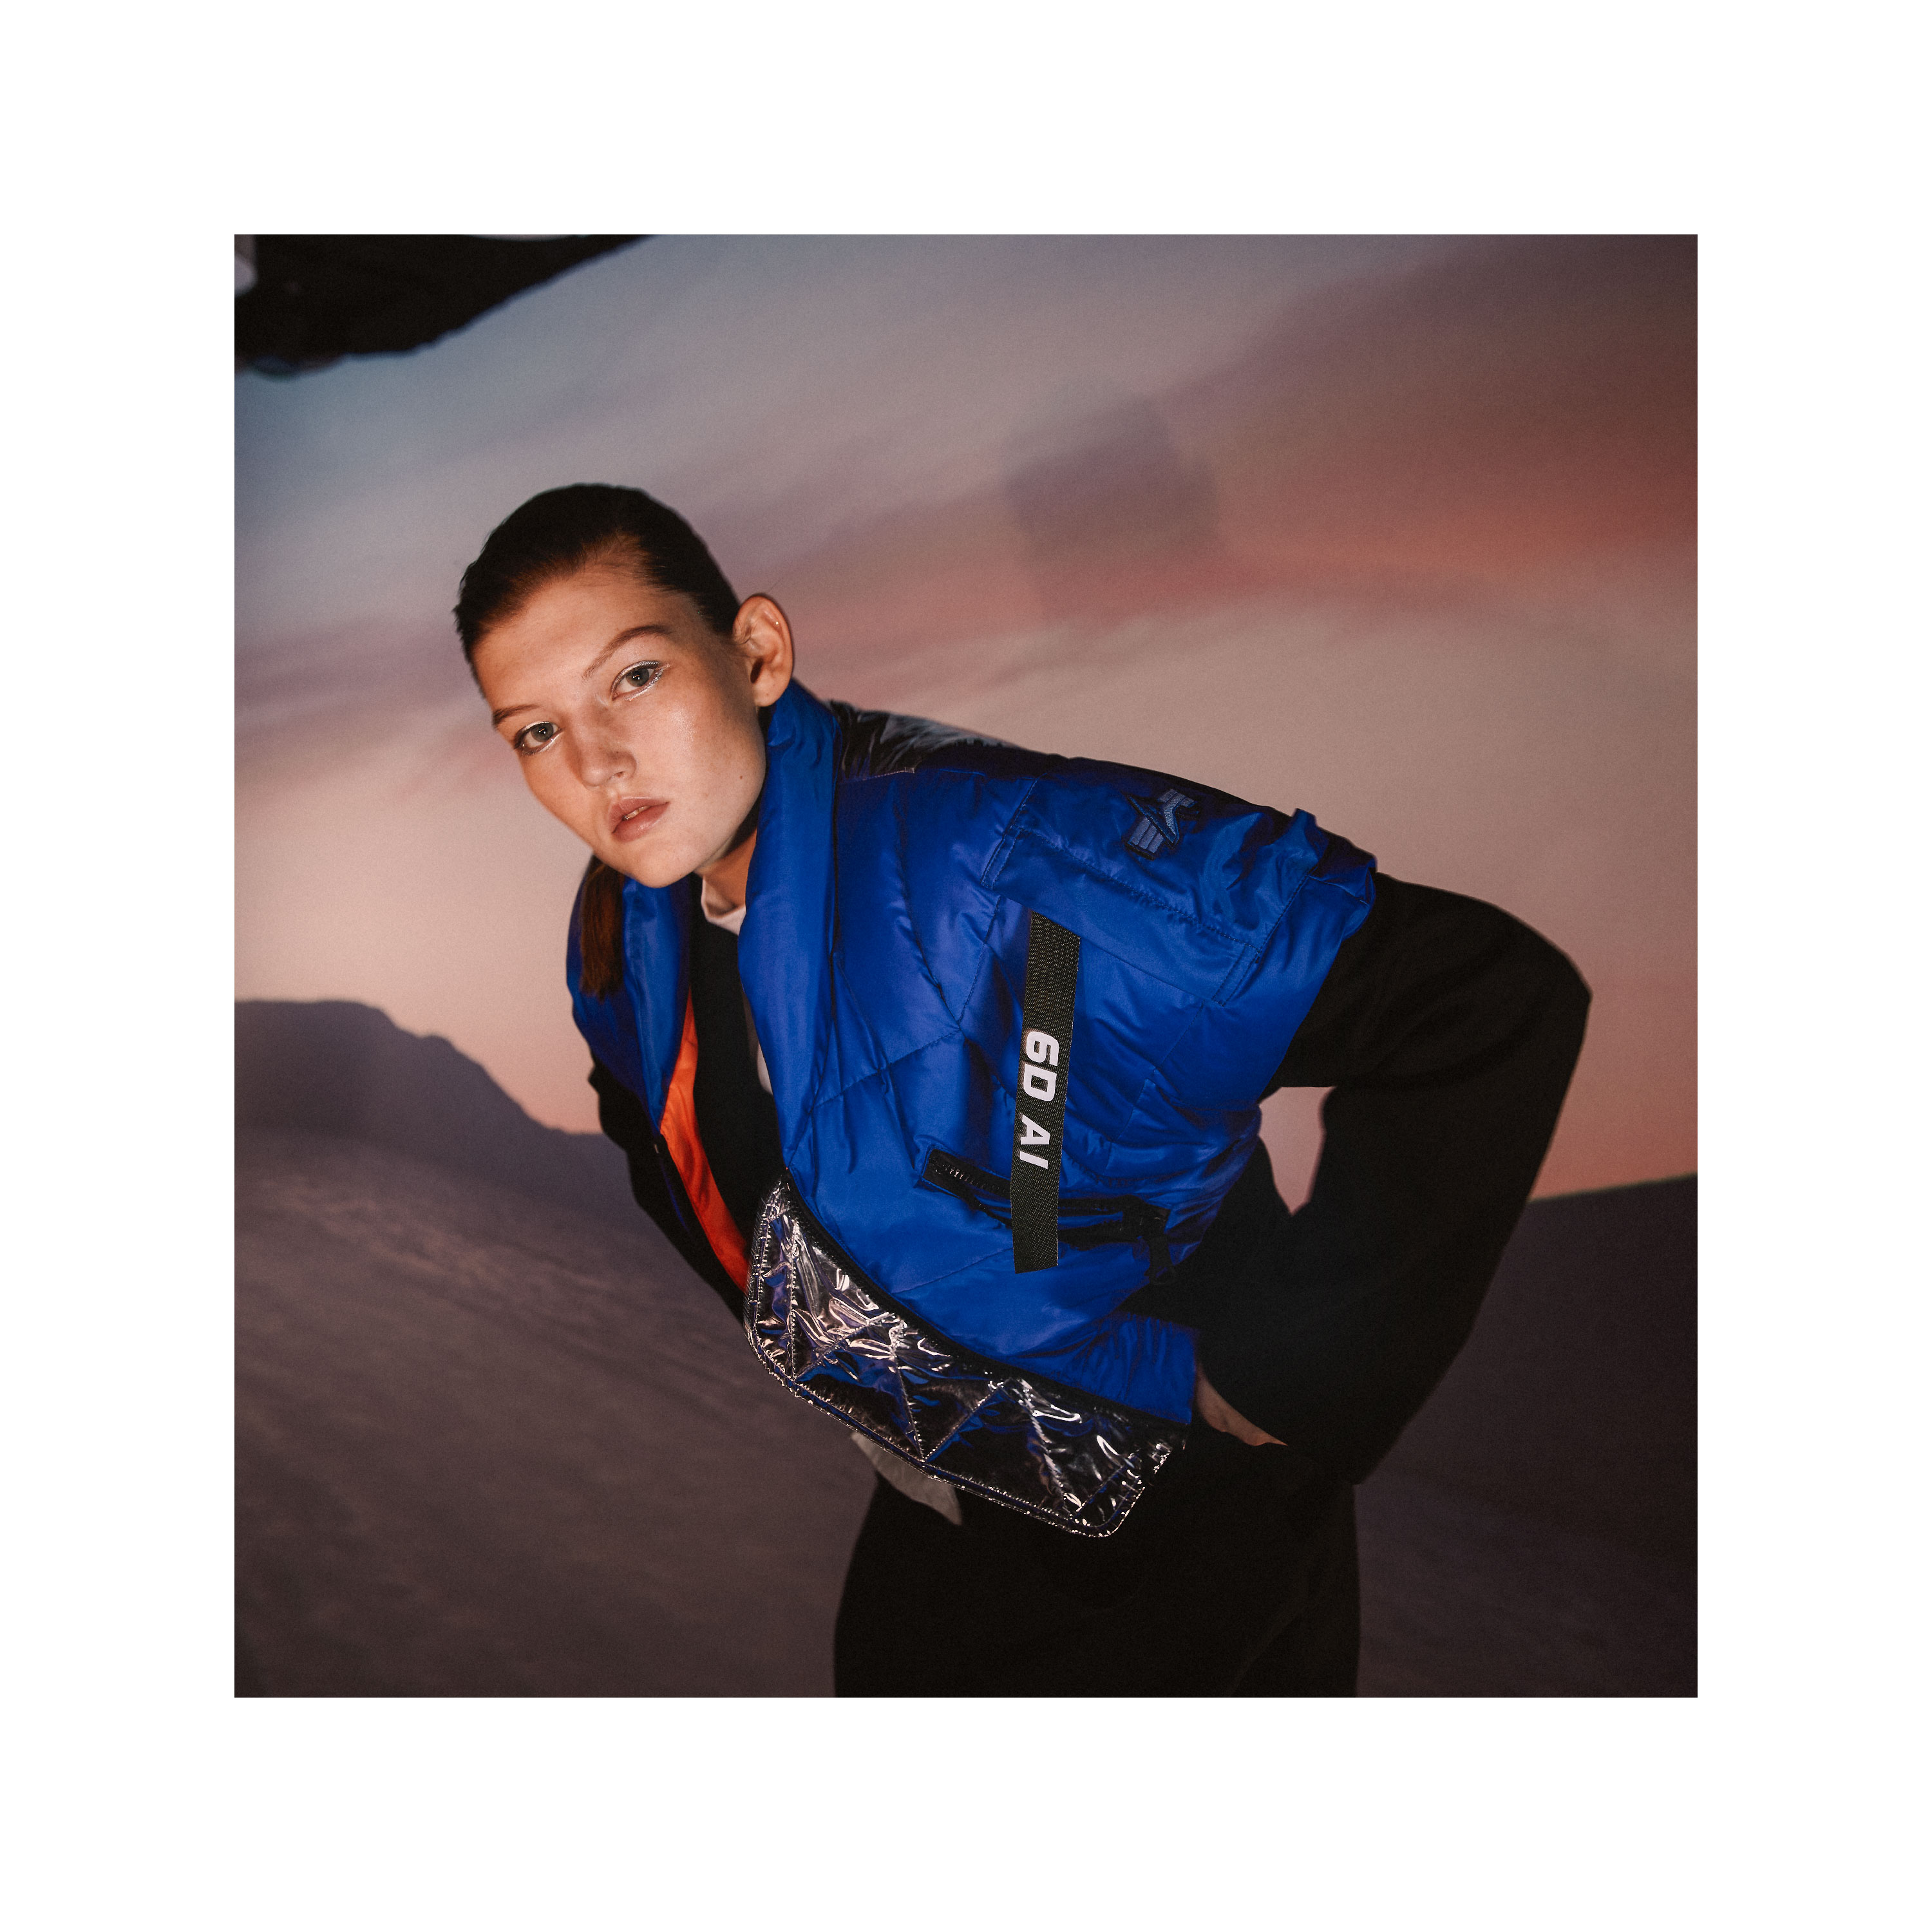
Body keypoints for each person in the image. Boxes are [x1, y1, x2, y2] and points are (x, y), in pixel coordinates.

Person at [455, 482, 1589, 1696]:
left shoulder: (1001, 852)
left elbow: (1482, 1000)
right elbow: (682, 1155)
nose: (597, 762)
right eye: (536, 732)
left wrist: (1289, 1376)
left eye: (634, 678)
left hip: (1181, 1530)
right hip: (952, 1509)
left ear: (758, 653)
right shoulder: (626, 940)